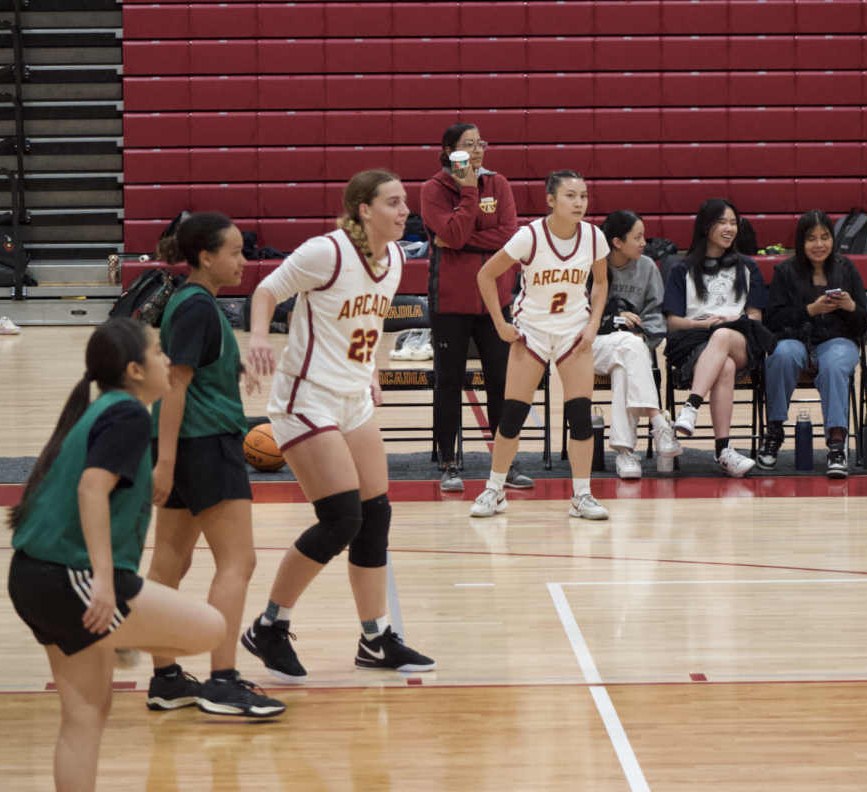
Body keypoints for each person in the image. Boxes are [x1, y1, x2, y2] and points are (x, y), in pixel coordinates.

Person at [7, 318, 225, 792]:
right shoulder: (126, 413)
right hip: (71, 576)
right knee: (211, 627)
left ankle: (120, 634)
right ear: (134, 369)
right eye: (158, 352)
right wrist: (104, 581)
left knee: (86, 715)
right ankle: (123, 633)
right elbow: (91, 491)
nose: (168, 360)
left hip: (32, 575)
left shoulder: (105, 408)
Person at [241, 169, 436, 683]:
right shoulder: (325, 252)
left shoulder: (394, 259)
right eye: (393, 203)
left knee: (376, 516)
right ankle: (269, 626)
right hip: (306, 399)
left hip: (352, 398)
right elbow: (265, 291)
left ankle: (375, 640)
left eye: (405, 203)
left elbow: (366, 326)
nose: (404, 211)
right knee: (341, 519)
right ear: (363, 209)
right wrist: (259, 338)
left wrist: (370, 370)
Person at [145, 213, 284, 718]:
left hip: (188, 444)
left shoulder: (192, 301)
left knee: (170, 563)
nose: (243, 261)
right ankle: (222, 681)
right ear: (207, 257)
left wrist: (234, 365)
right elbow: (174, 385)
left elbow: (192, 370)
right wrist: (164, 462)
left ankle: (165, 678)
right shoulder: (198, 307)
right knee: (238, 562)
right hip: (203, 443)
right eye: (235, 252)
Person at [469, 170, 611, 519]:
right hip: (531, 330)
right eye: (570, 196)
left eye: (583, 196)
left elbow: (602, 282)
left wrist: (593, 325)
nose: (579, 203)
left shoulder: (594, 237)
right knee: (513, 414)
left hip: (573, 332)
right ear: (551, 200)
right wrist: (500, 324)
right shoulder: (529, 236)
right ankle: (494, 490)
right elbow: (486, 275)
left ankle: (582, 496)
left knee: (579, 415)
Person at [421, 123, 532, 492]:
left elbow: (509, 236)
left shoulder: (498, 184)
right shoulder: (433, 190)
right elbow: (453, 235)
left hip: (496, 305)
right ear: (450, 150)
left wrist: (458, 240)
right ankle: (449, 464)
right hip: (450, 304)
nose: (478, 149)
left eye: (480, 142)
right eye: (468, 144)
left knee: (501, 385)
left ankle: (506, 465)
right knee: (448, 384)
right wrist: (468, 192)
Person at [662, 198, 771, 478]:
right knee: (725, 366)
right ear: (706, 226)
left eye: (733, 222)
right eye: (722, 221)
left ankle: (691, 407)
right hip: (696, 342)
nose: (729, 228)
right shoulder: (681, 269)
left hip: (740, 339)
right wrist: (701, 323)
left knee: (723, 336)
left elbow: (755, 318)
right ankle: (724, 452)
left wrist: (730, 321)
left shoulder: (748, 267)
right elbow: (672, 322)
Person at [761, 210, 867, 478]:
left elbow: (863, 325)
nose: (819, 245)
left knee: (833, 366)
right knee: (782, 354)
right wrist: (810, 309)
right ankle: (774, 432)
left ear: (833, 240)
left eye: (825, 237)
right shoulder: (785, 271)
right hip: (796, 340)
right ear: (801, 242)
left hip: (838, 341)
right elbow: (772, 320)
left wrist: (851, 307)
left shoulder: (846, 269)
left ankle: (836, 444)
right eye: (811, 239)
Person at [592, 210, 682, 478]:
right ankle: (659, 422)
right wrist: (615, 319)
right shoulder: (592, 264)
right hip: (592, 344)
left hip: (633, 346)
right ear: (617, 241)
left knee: (626, 363)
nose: (645, 242)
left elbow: (656, 314)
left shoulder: (646, 267)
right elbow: (580, 314)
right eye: (638, 236)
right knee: (630, 346)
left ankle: (625, 453)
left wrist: (644, 335)